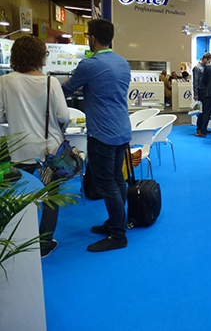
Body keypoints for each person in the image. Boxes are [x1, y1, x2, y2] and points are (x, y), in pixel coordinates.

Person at [62, 18, 132, 252]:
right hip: (122, 128)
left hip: (102, 132)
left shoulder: (89, 64)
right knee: (117, 178)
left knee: (106, 182)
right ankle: (115, 222)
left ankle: (118, 234)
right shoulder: (122, 62)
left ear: (92, 38)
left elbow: (66, 89)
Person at [0, 35, 70, 258]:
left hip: (19, 151)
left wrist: (13, 115)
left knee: (18, 197)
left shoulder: (5, 82)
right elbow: (64, 116)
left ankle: (18, 241)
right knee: (51, 196)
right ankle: (44, 243)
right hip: (48, 152)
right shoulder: (51, 82)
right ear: (40, 56)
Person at [192, 53, 211, 135]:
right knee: (201, 111)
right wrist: (196, 93)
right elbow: (195, 81)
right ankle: (199, 129)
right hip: (201, 91)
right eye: (209, 61)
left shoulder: (206, 67)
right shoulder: (197, 68)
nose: (209, 63)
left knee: (206, 112)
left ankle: (204, 127)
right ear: (204, 59)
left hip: (207, 91)